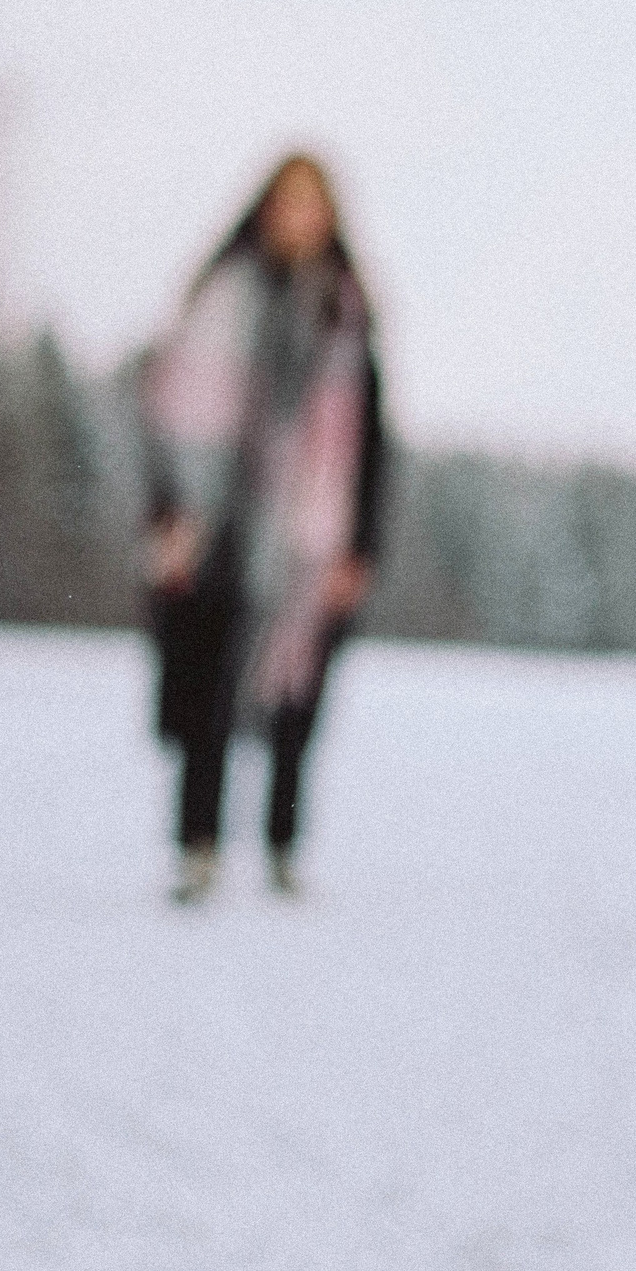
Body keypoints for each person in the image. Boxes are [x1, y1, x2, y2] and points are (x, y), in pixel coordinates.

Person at [139, 154, 387, 904]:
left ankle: (282, 845)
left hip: (310, 535)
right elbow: (169, 417)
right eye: (287, 201)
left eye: (313, 203)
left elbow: (371, 445)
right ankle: (197, 848)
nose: (298, 216)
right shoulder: (220, 296)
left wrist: (360, 546)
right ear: (263, 208)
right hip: (218, 523)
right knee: (206, 684)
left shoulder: (346, 317)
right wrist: (169, 515)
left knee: (295, 695)